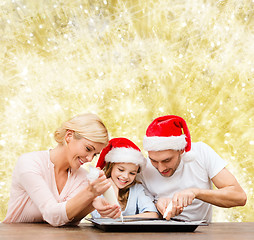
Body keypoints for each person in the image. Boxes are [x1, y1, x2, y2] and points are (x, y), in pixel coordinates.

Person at [3, 113, 120, 226]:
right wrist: (90, 194)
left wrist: (92, 204)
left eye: (95, 154)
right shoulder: (30, 163)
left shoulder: (82, 177)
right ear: (69, 136)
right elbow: (52, 215)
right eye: (88, 149)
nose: (90, 159)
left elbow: (67, 221)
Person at [139, 115, 247, 222]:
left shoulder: (201, 153)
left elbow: (239, 197)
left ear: (181, 150)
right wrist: (157, 205)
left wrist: (196, 193)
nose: (161, 168)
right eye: (153, 161)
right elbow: (134, 207)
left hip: (201, 233)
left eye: (167, 160)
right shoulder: (143, 167)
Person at [91, 137, 159, 219]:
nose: (126, 176)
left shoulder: (137, 189)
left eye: (132, 173)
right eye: (121, 170)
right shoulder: (98, 189)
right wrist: (113, 193)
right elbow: (102, 219)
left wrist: (122, 219)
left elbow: (153, 215)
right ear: (110, 167)